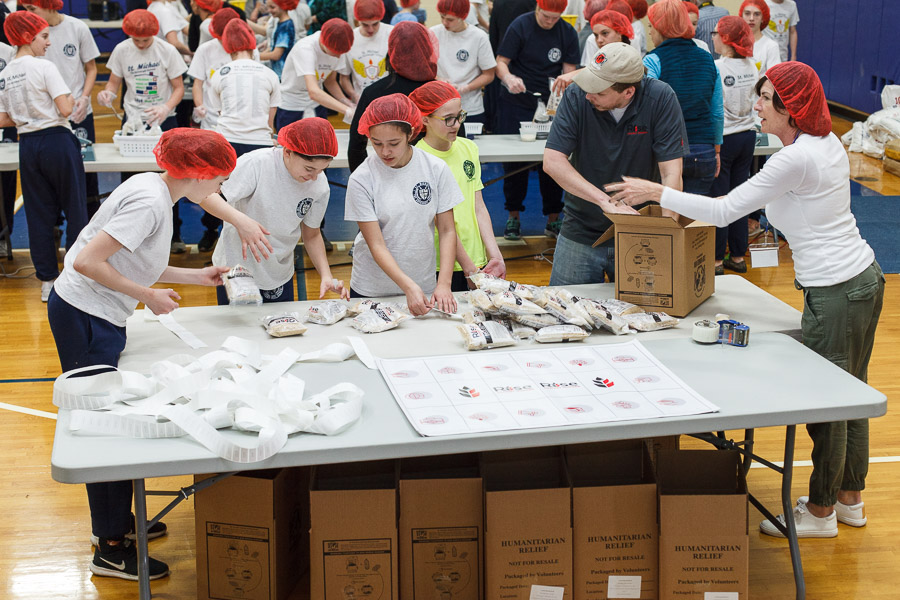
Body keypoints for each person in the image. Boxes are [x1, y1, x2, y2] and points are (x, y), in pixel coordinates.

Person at [607, 61, 884, 540]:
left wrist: (657, 190)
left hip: (837, 291)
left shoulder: (795, 159)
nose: (755, 105)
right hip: (861, 279)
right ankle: (848, 500)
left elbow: (722, 211)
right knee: (852, 394)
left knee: (830, 404)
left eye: (765, 98)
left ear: (791, 109)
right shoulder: (824, 142)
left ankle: (820, 512)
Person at [47, 128, 271, 581]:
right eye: (219, 180)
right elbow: (88, 262)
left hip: (96, 312)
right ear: (199, 174)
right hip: (84, 315)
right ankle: (110, 546)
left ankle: (116, 522)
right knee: (103, 427)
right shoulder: (151, 202)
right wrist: (146, 296)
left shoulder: (155, 188)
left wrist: (197, 276)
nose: (220, 190)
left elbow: (132, 259)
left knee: (110, 415)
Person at [542, 42, 686, 285]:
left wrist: (667, 233)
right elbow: (552, 161)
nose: (589, 95)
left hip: (641, 231)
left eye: (599, 92)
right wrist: (605, 202)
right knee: (567, 305)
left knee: (640, 308)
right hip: (581, 228)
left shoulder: (660, 97)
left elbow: (671, 173)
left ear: (628, 92)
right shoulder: (576, 94)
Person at [345, 93, 461, 315]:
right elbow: (376, 244)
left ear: (411, 134)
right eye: (376, 143)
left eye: (394, 143)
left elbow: (447, 230)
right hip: (372, 288)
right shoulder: (362, 178)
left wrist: (444, 284)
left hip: (423, 283)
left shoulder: (435, 168)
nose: (385, 152)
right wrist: (408, 286)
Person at [0, 11, 87, 301]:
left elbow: (3, 119)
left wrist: (29, 113)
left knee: (38, 215)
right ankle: (75, 276)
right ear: (28, 37)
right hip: (57, 141)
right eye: (45, 36)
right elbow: (65, 109)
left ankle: (47, 280)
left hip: (28, 144)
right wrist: (72, 97)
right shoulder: (44, 66)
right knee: (75, 210)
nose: (49, 42)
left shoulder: (5, 74)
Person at [212, 118, 347, 304]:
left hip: (278, 272)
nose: (314, 177)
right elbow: (207, 197)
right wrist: (240, 221)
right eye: (309, 169)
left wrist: (326, 275)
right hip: (236, 269)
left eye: (322, 170)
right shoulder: (256, 164)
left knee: (279, 321)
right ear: (287, 152)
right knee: (238, 322)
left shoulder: (319, 186)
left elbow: (312, 235)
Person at [410, 81, 506, 291]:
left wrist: (495, 254)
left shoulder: (469, 148)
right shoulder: (419, 159)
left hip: (476, 257)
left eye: (459, 116)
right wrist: (468, 268)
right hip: (441, 263)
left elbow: (478, 206)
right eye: (448, 119)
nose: (456, 124)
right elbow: (441, 224)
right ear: (424, 119)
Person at [495, 0, 579, 240]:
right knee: (514, 163)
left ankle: (553, 218)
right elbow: (501, 62)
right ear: (537, 8)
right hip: (517, 101)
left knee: (553, 158)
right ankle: (513, 216)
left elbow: (569, 70)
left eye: (554, 18)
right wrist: (509, 79)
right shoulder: (520, 26)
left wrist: (564, 88)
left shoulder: (567, 32)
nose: (549, 21)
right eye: (545, 16)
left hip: (551, 104)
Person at [23, 0, 101, 214]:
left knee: (86, 169)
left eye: (32, 9)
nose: (28, 14)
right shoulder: (29, 33)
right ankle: (55, 222)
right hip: (46, 117)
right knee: (50, 171)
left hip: (77, 112)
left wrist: (84, 98)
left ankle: (91, 219)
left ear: (49, 5)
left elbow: (91, 68)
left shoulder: (77, 27)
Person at [644, 0, 722, 196]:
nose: (650, 32)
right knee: (694, 214)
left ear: (661, 27)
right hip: (703, 151)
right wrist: (717, 150)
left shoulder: (652, 61)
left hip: (666, 151)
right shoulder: (708, 59)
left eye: (651, 26)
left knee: (665, 214)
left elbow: (647, 110)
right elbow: (717, 112)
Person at [347, 20, 438, 172]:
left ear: (392, 51)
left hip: (388, 173)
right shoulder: (439, 92)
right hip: (433, 173)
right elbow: (459, 141)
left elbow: (356, 145)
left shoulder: (374, 93)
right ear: (428, 49)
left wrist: (364, 180)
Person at [710, 16, 757, 275]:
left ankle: (717, 260)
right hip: (747, 136)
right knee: (740, 198)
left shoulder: (717, 67)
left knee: (720, 199)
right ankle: (738, 256)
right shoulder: (751, 66)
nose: (713, 37)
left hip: (725, 138)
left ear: (727, 40)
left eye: (716, 33)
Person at [99, 10, 187, 132]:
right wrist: (108, 93)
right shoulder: (121, 50)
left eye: (146, 40)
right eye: (136, 40)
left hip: (163, 117)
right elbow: (113, 82)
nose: (141, 45)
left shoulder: (167, 50)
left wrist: (166, 108)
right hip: (133, 116)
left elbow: (179, 88)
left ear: (153, 34)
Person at [208, 19, 281, 156]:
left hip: (227, 141)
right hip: (260, 142)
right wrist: (269, 139)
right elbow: (270, 122)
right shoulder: (270, 75)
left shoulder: (219, 74)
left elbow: (221, 112)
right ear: (253, 44)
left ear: (226, 44)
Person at [276, 17, 354, 130]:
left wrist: (345, 101)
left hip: (317, 104)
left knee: (321, 139)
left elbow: (330, 82)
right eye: (335, 53)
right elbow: (313, 92)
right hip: (292, 106)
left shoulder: (339, 48)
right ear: (323, 42)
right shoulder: (305, 49)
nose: (338, 56)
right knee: (290, 140)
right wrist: (346, 110)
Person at [431, 0, 496, 124]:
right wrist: (438, 79)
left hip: (470, 107)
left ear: (463, 17)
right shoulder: (433, 33)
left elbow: (489, 74)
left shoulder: (479, 37)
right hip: (439, 107)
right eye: (442, 17)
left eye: (450, 19)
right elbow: (425, 69)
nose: (444, 22)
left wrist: (466, 88)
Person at [336, 0, 392, 103]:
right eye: (365, 25)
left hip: (389, 100)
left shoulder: (392, 34)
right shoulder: (349, 39)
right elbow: (344, 78)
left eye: (375, 24)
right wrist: (354, 95)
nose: (371, 30)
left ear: (381, 18)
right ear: (357, 21)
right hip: (363, 100)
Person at [259, 0, 296, 79]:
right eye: (268, 7)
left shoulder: (286, 26)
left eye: (272, 7)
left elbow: (276, 55)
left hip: (283, 73)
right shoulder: (280, 23)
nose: (269, 10)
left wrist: (255, 56)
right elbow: (273, 47)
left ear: (283, 6)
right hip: (278, 71)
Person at [741, 0, 779, 75]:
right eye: (747, 13)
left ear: (763, 18)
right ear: (741, 16)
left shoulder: (771, 46)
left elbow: (773, 78)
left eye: (757, 14)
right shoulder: (733, 43)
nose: (751, 18)